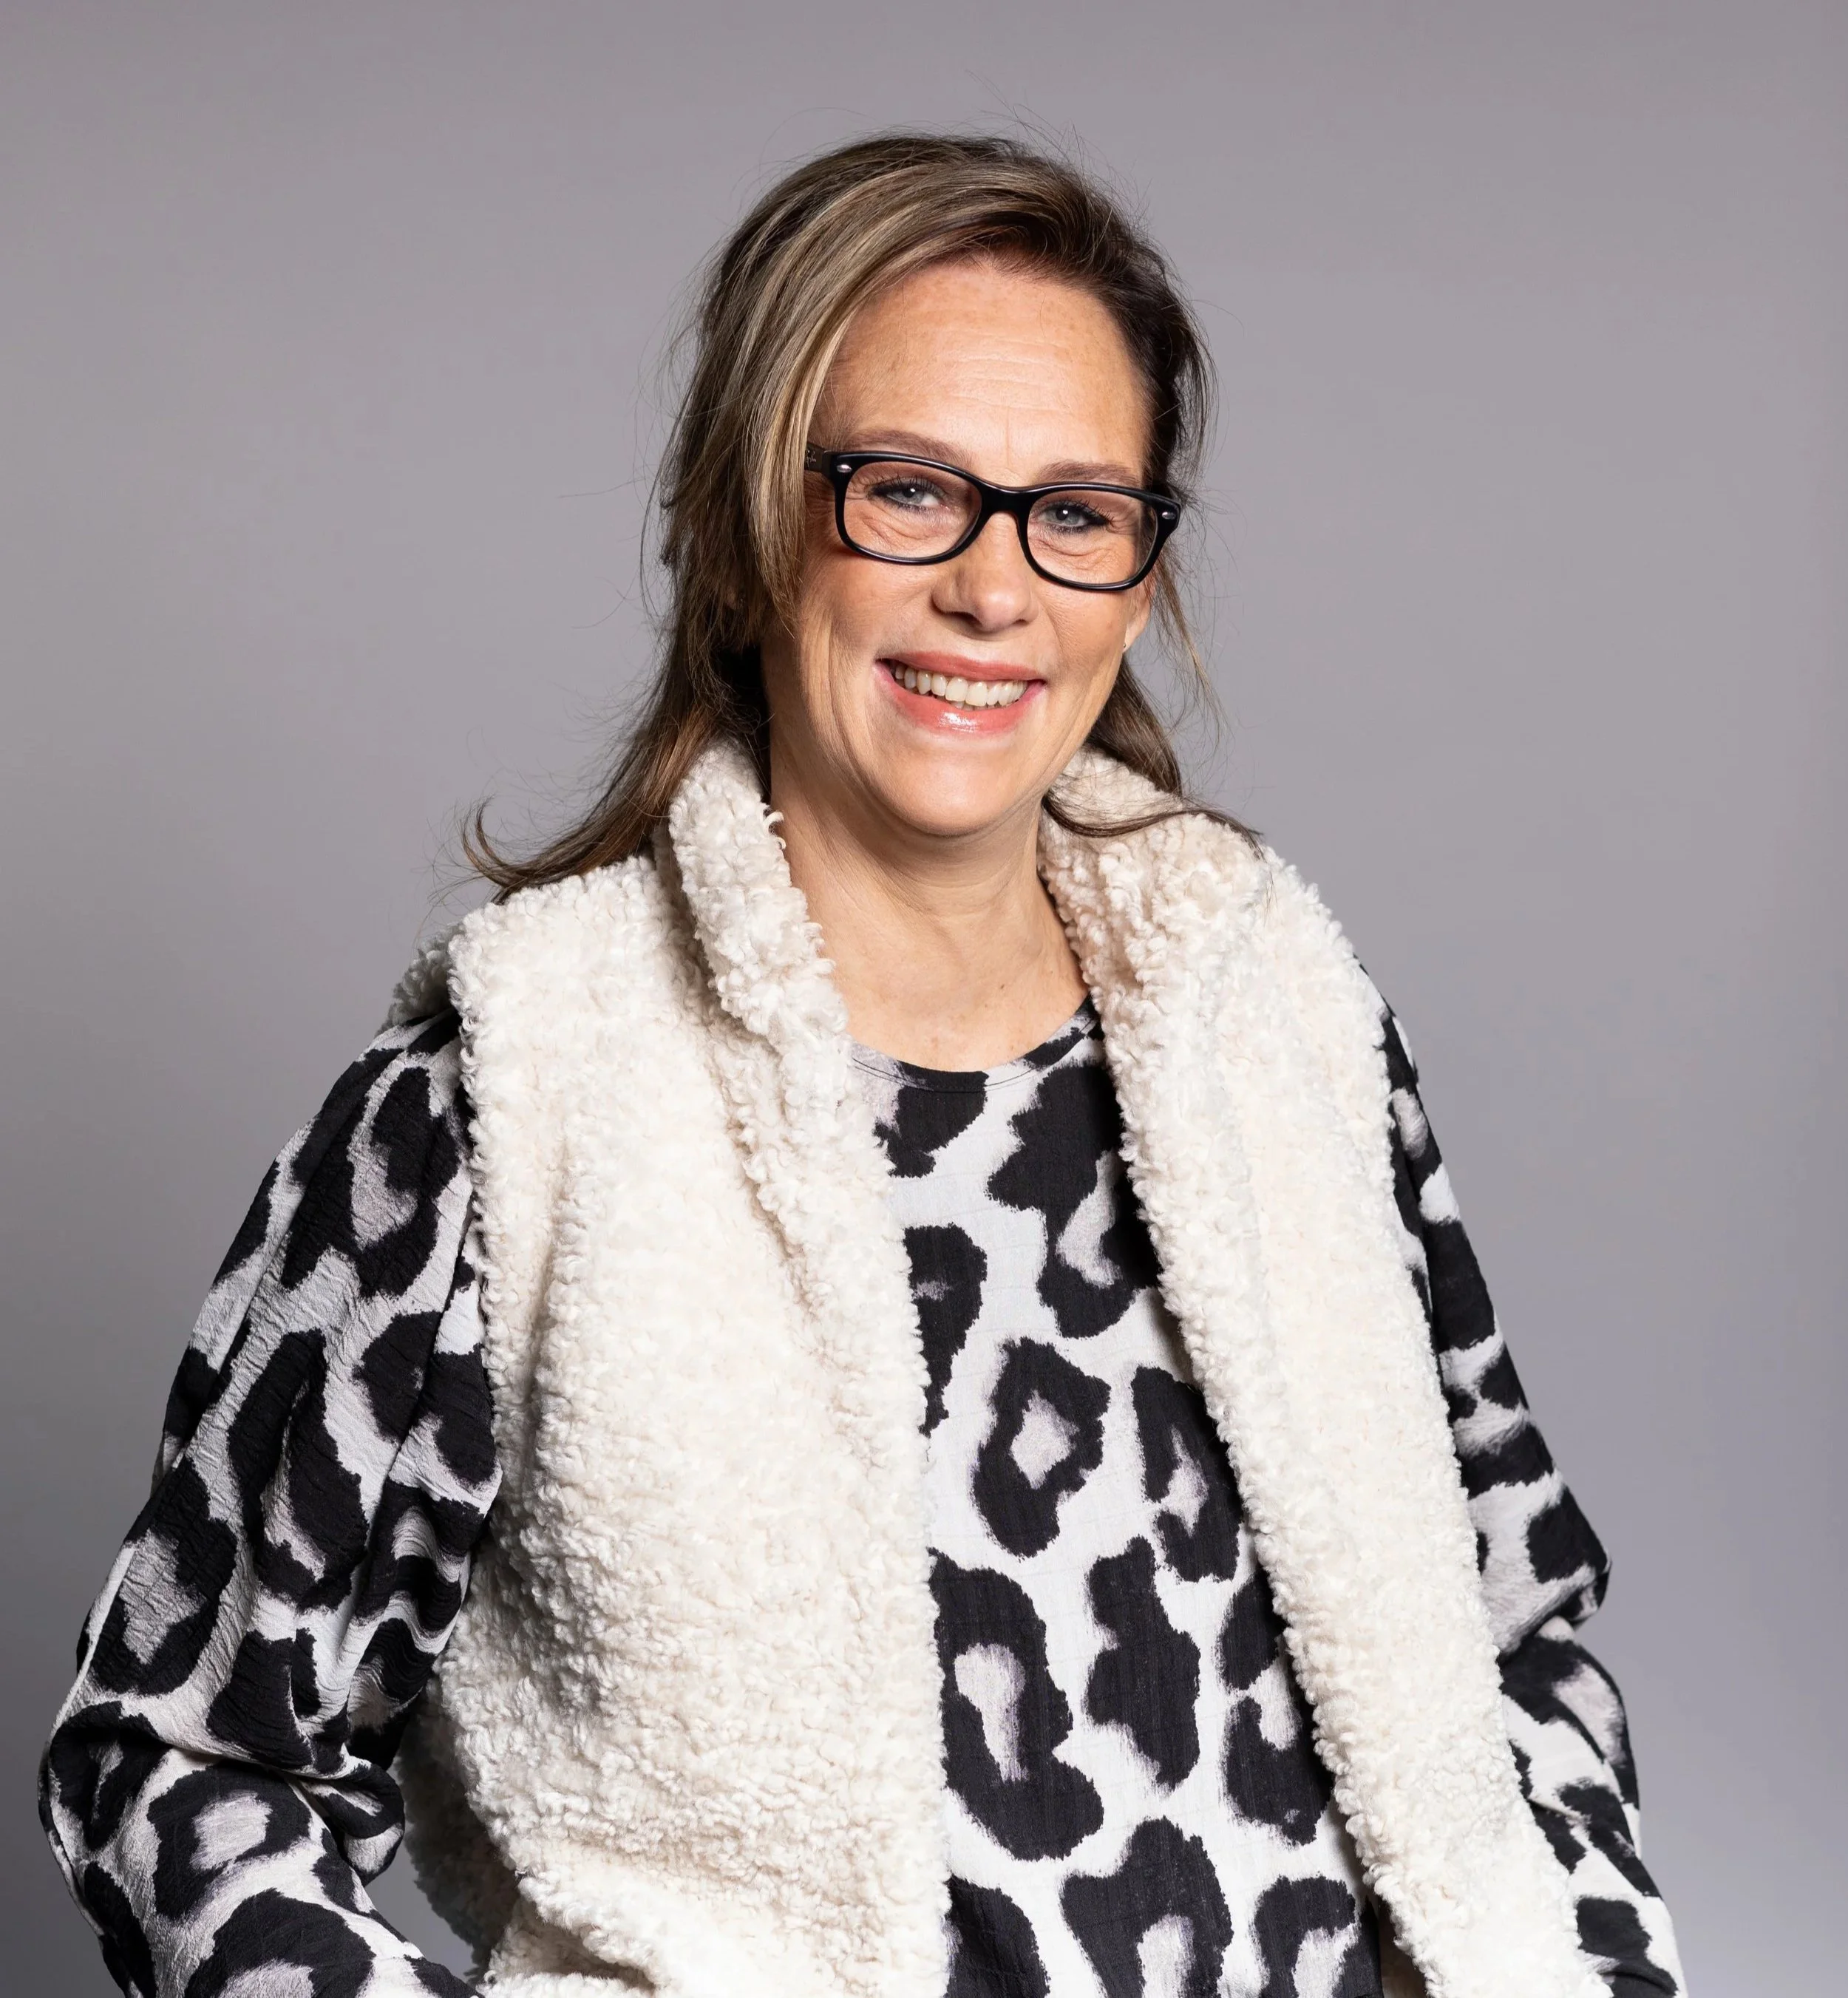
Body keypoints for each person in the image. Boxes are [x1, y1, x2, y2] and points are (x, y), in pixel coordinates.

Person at [40, 134, 1684, 1998]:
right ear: (747, 530)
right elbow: (175, 1764)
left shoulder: (1281, 1016)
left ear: (1138, 578)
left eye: (1074, 510)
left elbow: (1518, 1635)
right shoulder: (502, 1104)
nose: (995, 589)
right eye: (908, 491)